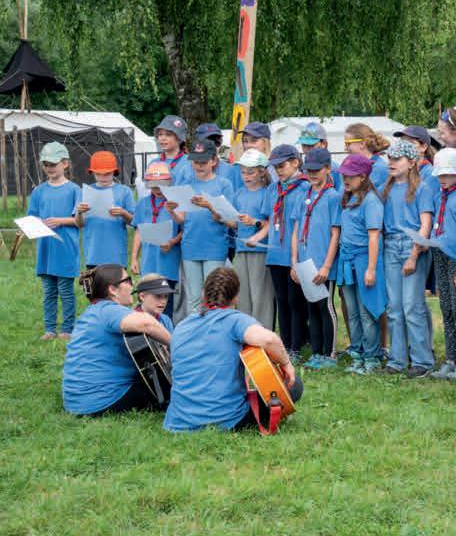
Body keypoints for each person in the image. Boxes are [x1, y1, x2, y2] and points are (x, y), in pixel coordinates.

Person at [164, 267, 301, 432]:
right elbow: (269, 339)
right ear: (236, 297)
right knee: (294, 384)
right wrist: (286, 364)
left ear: (203, 294)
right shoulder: (235, 321)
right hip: (227, 419)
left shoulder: (181, 326)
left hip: (178, 421)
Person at [62, 264, 172, 415]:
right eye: (128, 280)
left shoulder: (92, 311)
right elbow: (147, 324)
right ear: (112, 290)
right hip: (101, 400)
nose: (132, 285)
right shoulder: (109, 310)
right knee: (168, 384)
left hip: (76, 401)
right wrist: (176, 344)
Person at [381, 139, 435, 377]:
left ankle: (423, 360)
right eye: (389, 158)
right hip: (390, 246)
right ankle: (397, 359)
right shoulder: (386, 189)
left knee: (412, 306)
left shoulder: (422, 189)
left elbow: (425, 225)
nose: (391, 163)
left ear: (412, 163)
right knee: (394, 307)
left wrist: (414, 255)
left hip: (412, 246)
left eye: (397, 159)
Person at [335, 154, 388, 375]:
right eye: (344, 176)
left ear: (363, 176)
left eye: (350, 176)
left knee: (368, 312)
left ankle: (372, 356)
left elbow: (374, 236)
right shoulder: (347, 198)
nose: (345, 180)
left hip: (365, 260)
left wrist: (371, 269)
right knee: (353, 312)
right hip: (347, 260)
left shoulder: (371, 201)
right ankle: (357, 354)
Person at [291, 148, 342, 369]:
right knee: (311, 307)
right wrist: (294, 261)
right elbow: (296, 228)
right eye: (308, 170)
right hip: (305, 261)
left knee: (325, 307)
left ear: (327, 169)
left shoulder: (333, 197)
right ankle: (316, 352)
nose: (311, 174)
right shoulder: (303, 195)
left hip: (322, 263)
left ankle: (330, 354)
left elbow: (335, 233)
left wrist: (327, 266)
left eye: (316, 170)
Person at [171, 139, 236, 315]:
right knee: (194, 298)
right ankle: (195, 329)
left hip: (214, 247)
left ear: (214, 161)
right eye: (195, 161)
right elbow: (181, 219)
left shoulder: (224, 184)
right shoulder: (186, 185)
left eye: (203, 162)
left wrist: (210, 206)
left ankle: (213, 328)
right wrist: (171, 211)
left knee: (213, 296)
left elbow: (231, 221)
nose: (199, 165)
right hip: (190, 246)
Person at [425, 148, 456, 379]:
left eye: (447, 175)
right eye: (440, 175)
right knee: (446, 308)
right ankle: (450, 359)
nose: (442, 179)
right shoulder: (438, 196)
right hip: (440, 254)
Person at [28, 142, 81, 340]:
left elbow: (80, 221)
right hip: (46, 249)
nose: (49, 168)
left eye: (53, 164)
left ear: (65, 164)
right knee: (49, 291)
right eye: (46, 164)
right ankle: (50, 329)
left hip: (65, 248)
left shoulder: (74, 190)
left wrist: (60, 221)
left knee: (65, 291)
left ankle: (67, 330)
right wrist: (33, 224)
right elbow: (32, 217)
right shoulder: (39, 191)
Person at [265, 144, 312, 358]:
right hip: (275, 253)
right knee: (281, 300)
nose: (278, 171)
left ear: (295, 163)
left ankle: (297, 345)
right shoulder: (272, 189)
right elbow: (269, 218)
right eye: (275, 167)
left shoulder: (305, 188)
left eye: (282, 166)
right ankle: (284, 344)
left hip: (294, 254)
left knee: (296, 302)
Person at [130, 162, 182, 313]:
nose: (157, 189)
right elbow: (139, 230)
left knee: (166, 305)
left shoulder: (176, 203)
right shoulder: (143, 203)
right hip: (149, 262)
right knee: (148, 303)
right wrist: (134, 258)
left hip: (168, 263)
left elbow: (184, 230)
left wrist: (172, 242)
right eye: (153, 186)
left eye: (161, 185)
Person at [231, 148, 274, 328]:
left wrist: (254, 222)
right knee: (243, 298)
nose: (246, 176)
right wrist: (216, 211)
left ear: (262, 172)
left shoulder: (267, 193)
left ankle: (262, 335)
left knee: (260, 297)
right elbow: (234, 222)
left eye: (250, 172)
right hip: (241, 250)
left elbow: (271, 223)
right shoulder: (239, 194)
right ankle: (245, 334)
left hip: (260, 252)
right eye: (243, 172)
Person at [76, 151, 135, 268]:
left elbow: (134, 222)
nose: (102, 177)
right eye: (98, 174)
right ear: (92, 172)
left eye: (107, 174)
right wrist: (79, 212)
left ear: (114, 172)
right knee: (94, 280)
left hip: (116, 255)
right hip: (93, 254)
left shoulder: (124, 191)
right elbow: (79, 224)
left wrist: (123, 213)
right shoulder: (85, 192)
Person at [343, 123, 391, 193]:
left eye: (348, 144)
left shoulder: (380, 169)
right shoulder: (353, 166)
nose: (345, 148)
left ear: (362, 144)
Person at [297, 122, 342, 191]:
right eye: (304, 145)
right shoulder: (301, 168)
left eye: (310, 145)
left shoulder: (335, 170)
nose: (306, 149)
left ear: (324, 144)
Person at [153, 115, 192, 184]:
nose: (163, 138)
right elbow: (147, 189)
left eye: (168, 134)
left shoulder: (190, 163)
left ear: (179, 139)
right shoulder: (153, 163)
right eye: (160, 134)